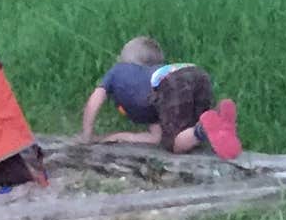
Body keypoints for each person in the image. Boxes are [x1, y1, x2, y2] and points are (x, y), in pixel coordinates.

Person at [80, 37, 241, 159]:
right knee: (188, 129)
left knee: (173, 144)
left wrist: (87, 135)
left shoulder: (118, 70)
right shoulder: (153, 96)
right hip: (195, 72)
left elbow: (96, 98)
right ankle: (219, 123)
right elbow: (155, 138)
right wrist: (118, 137)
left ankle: (203, 130)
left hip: (170, 82)